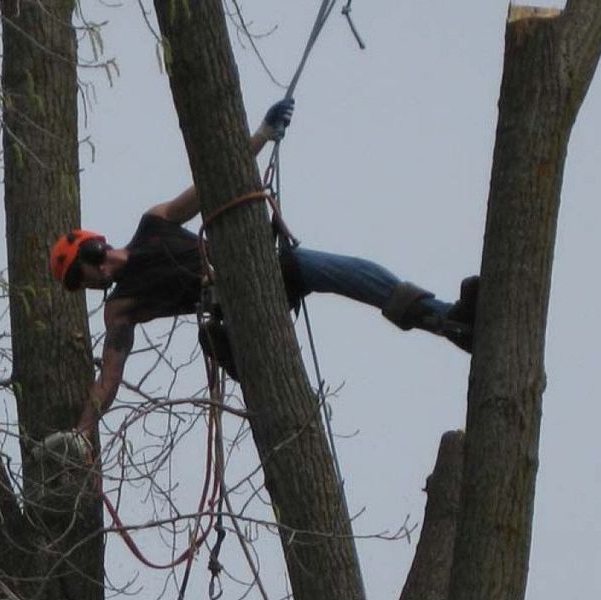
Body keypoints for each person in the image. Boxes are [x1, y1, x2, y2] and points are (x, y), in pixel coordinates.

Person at [49, 98, 478, 438]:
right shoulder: (120, 308)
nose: (94, 283)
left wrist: (263, 134)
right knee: (256, 307)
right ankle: (447, 321)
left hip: (257, 274)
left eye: (85, 275)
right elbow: (109, 379)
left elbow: (212, 185)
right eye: (85, 285)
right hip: (231, 314)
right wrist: (84, 429)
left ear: (93, 250)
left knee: (341, 269)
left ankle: (445, 319)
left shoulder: (154, 223)